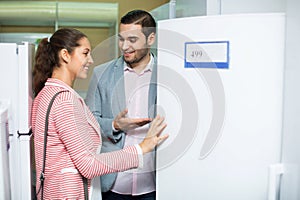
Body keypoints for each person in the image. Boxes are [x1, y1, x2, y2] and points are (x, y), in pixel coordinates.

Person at [32, 28, 168, 200]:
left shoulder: (46, 93)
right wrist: (141, 149)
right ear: (65, 55)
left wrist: (116, 125)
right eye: (85, 53)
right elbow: (88, 165)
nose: (91, 60)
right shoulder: (64, 100)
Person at [85, 10, 159, 200]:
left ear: (150, 39)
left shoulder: (167, 74)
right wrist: (115, 125)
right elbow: (88, 122)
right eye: (121, 39)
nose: (124, 46)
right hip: (114, 183)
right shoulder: (101, 74)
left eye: (132, 40)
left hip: (156, 182)